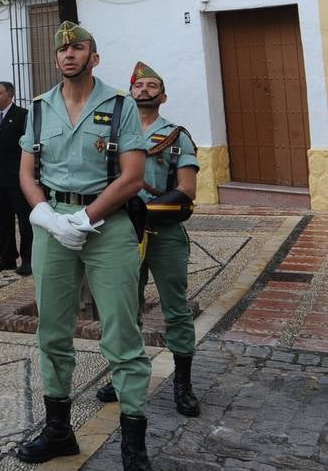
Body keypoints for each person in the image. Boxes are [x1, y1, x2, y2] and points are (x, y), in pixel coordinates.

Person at [15, 21, 152, 469]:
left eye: (78, 48)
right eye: (62, 50)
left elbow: (133, 177)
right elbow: (27, 171)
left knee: (121, 331)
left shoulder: (119, 106)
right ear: (55, 60)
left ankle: (133, 442)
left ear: (94, 56)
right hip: (53, 225)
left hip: (106, 225)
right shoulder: (38, 108)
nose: (69, 54)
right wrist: (45, 215)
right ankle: (59, 432)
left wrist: (85, 218)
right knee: (52, 330)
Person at [96, 61, 202, 419]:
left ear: (163, 95)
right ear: (130, 92)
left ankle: (183, 384)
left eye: (151, 85)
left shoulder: (176, 136)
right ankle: (123, 377)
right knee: (125, 309)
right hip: (122, 234)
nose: (144, 90)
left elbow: (186, 189)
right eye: (138, 86)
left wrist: (149, 211)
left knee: (176, 308)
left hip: (164, 234)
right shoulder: (116, 136)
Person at [0, 81, 32, 275]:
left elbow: (27, 144)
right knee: (2, 220)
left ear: (10, 94)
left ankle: (28, 259)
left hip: (16, 176)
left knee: (24, 220)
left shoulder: (22, 115)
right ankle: (7, 257)